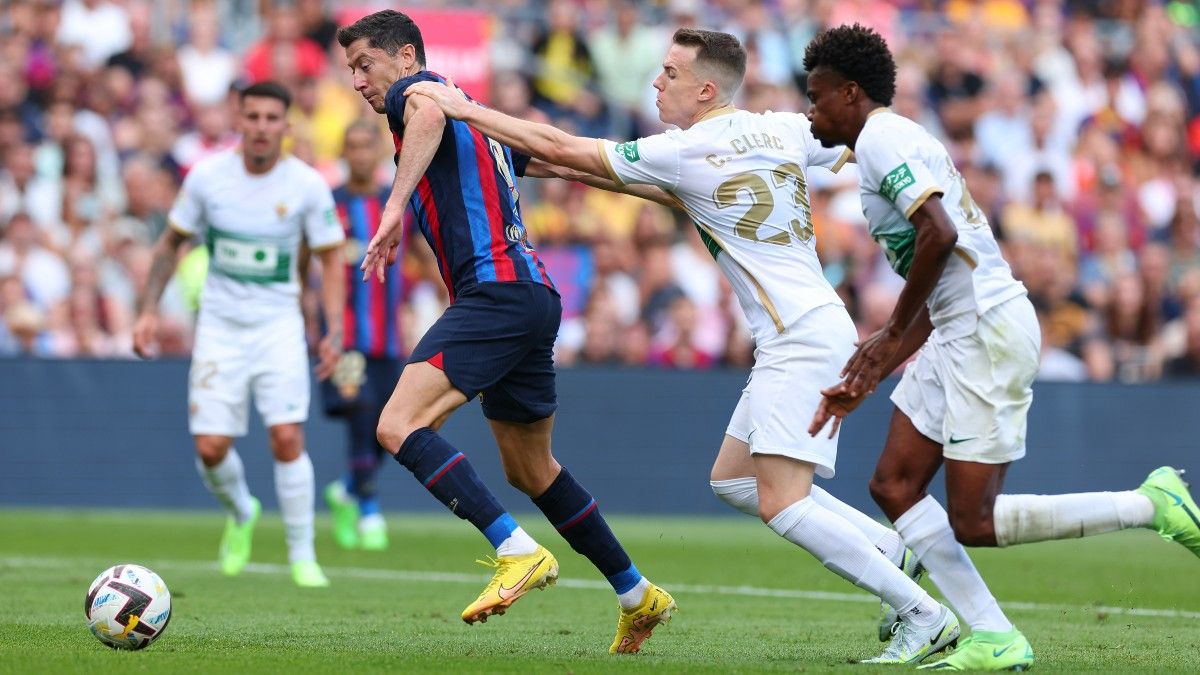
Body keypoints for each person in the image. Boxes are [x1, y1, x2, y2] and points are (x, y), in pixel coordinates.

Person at [406, 28, 961, 665]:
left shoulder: (688, 146)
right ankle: (894, 554)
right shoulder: (777, 127)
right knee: (735, 480)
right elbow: (679, 180)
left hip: (799, 336)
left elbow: (570, 146)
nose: (655, 83)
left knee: (783, 500)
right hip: (810, 325)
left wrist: (464, 109)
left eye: (669, 73)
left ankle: (924, 614)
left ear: (704, 88)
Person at [802, 24, 1200, 671]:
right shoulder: (885, 144)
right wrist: (885, 356)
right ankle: (992, 634)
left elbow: (938, 234)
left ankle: (1150, 503)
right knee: (895, 484)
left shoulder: (881, 140)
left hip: (986, 326)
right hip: (959, 324)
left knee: (973, 520)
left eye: (816, 97)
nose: (810, 111)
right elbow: (944, 265)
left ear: (850, 93)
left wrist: (887, 339)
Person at [336, 10, 674, 653]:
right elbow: (561, 162)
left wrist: (391, 211)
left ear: (404, 55)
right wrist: (668, 194)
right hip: (533, 296)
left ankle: (516, 549)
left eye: (364, 64)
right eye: (350, 69)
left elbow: (429, 116)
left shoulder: (421, 94)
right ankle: (636, 592)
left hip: (495, 294)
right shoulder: (480, 122)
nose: (357, 81)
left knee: (396, 426)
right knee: (531, 468)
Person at [133, 81, 346, 588]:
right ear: (239, 120)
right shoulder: (207, 179)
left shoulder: (307, 185)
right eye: (253, 117)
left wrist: (333, 328)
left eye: (273, 118)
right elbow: (170, 245)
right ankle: (241, 509)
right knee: (210, 447)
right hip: (220, 327)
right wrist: (147, 310)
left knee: (287, 436)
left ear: (287, 126)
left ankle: (302, 555)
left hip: (279, 327)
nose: (262, 127)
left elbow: (331, 256)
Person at [321, 120, 403, 552]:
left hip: (388, 338)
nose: (359, 154)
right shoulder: (328, 205)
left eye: (365, 147)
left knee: (393, 423)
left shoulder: (395, 203)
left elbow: (421, 257)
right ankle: (368, 506)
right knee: (359, 409)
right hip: (346, 337)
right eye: (350, 146)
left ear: (377, 152)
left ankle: (348, 487)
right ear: (343, 152)